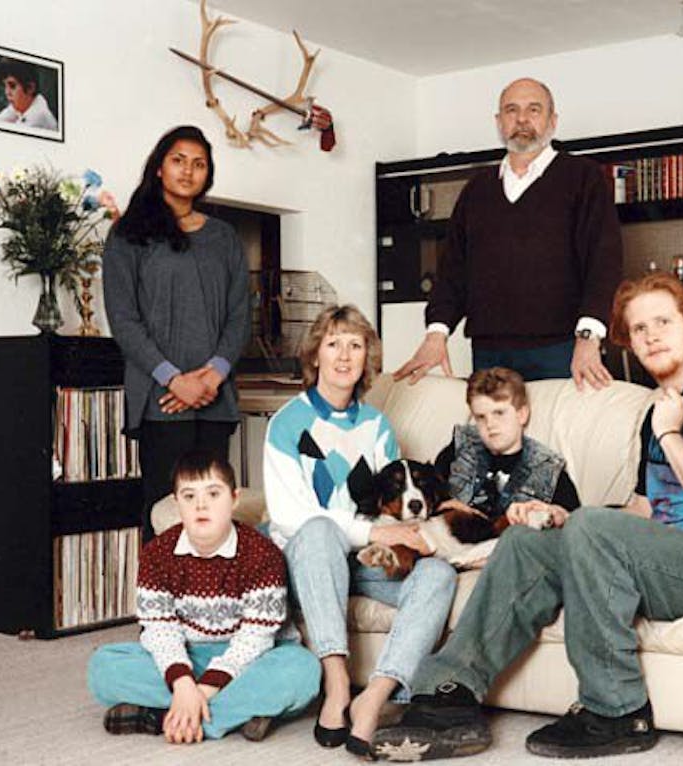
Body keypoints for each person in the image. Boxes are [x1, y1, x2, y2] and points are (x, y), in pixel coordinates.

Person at [371, 272, 683, 761]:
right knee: (524, 540)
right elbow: (642, 508)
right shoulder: (658, 411)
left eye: (663, 322)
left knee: (591, 527)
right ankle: (452, 692)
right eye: (639, 329)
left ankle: (619, 711)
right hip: (657, 559)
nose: (651, 336)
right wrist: (562, 516)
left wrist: (671, 436)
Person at [263, 304, 458, 757]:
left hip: (363, 561)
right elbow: (290, 516)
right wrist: (373, 535)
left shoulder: (377, 426)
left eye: (355, 345)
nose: (344, 355)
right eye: (333, 344)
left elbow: (389, 509)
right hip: (306, 559)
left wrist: (411, 536)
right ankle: (336, 683)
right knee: (318, 530)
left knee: (439, 575)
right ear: (315, 356)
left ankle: (375, 695)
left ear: (367, 358)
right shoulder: (286, 423)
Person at [393, 77, 622, 388]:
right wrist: (436, 334)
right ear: (499, 122)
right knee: (490, 422)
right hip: (489, 351)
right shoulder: (477, 190)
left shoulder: (584, 178)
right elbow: (452, 273)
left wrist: (588, 338)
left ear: (553, 121)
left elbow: (603, 263)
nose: (522, 119)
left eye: (534, 109)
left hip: (562, 349)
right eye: (512, 110)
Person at [87, 449, 320, 743]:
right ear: (177, 503)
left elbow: (255, 638)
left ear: (234, 499)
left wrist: (205, 689)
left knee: (304, 670)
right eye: (189, 496)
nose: (201, 505)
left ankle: (169, 718)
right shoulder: (157, 554)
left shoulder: (262, 555)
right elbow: (159, 629)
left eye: (213, 494)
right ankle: (237, 712)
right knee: (103, 667)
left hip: (256, 657)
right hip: (190, 654)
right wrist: (183, 684)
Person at [103, 125, 250, 542]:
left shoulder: (224, 237)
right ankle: (160, 589)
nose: (188, 170)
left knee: (213, 519)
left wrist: (213, 375)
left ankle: (212, 589)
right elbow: (123, 320)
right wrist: (174, 379)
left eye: (199, 164)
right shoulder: (128, 235)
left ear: (208, 174)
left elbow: (240, 315)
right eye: (178, 160)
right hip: (161, 402)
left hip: (215, 400)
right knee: (166, 516)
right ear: (159, 168)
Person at [420, 366, 580, 556]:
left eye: (499, 413)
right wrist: (445, 504)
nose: (490, 424)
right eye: (481, 417)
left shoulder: (549, 470)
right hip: (444, 548)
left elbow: (575, 529)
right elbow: (423, 497)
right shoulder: (457, 451)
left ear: (522, 414)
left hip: (508, 557)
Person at [0, 57, 58, 131]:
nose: (7, 92)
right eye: (5, 86)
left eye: (12, 86)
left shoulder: (37, 117)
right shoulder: (23, 105)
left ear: (30, 88)